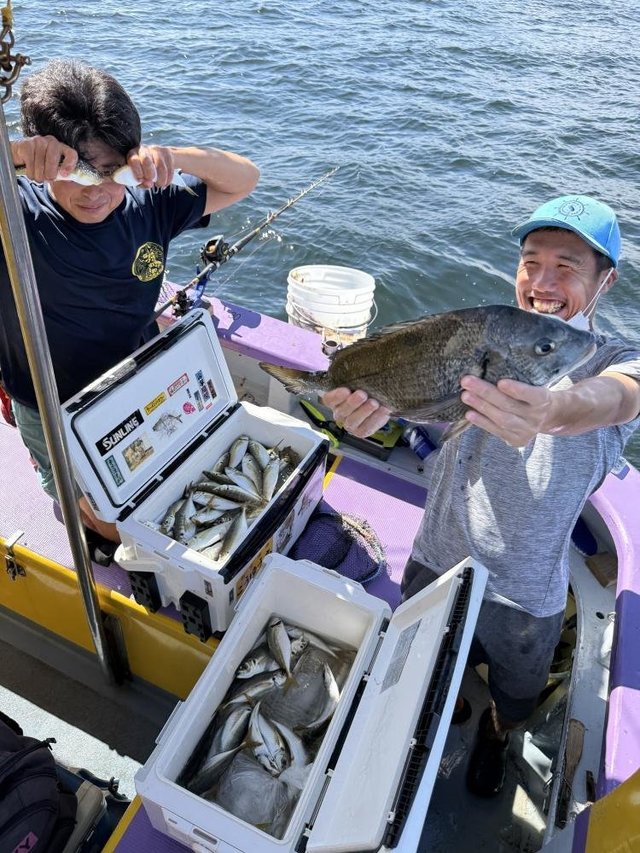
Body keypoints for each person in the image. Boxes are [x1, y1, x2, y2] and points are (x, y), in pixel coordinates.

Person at [322, 194, 640, 797]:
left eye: (567, 266)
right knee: (430, 658)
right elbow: (425, 399)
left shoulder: (619, 361)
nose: (542, 282)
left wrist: (551, 407)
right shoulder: (485, 332)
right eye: (530, 262)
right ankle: (443, 707)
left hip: (524, 590)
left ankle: (498, 732)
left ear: (607, 280)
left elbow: (615, 398)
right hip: (435, 551)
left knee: (515, 688)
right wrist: (366, 414)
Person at [0, 58, 259, 554]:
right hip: (52, 405)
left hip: (140, 383)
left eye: (108, 171)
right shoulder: (13, 210)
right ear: (38, 165)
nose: (92, 190)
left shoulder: (151, 206)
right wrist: (10, 156)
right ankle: (68, 498)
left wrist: (176, 156)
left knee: (167, 490)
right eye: (71, 172)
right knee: (113, 527)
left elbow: (243, 179)